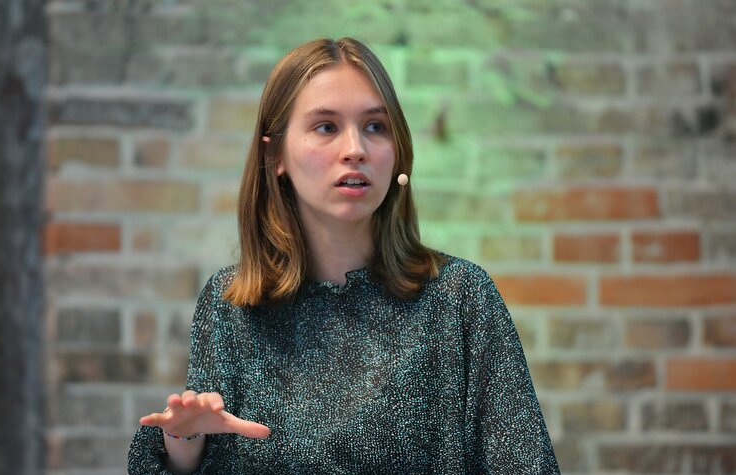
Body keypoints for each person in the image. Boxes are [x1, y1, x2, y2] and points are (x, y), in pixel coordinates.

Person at [128, 37, 560, 474]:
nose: (355, 149)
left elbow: (526, 464)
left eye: (375, 126)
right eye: (326, 127)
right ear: (274, 154)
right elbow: (205, 449)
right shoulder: (232, 305)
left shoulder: (460, 298)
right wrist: (183, 440)